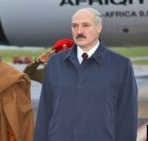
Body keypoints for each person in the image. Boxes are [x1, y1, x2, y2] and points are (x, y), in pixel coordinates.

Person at [34, 7, 138, 141]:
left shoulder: (121, 65)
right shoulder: (55, 63)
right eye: (74, 26)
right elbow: (45, 112)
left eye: (86, 25)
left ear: (99, 27)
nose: (79, 31)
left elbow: (127, 117)